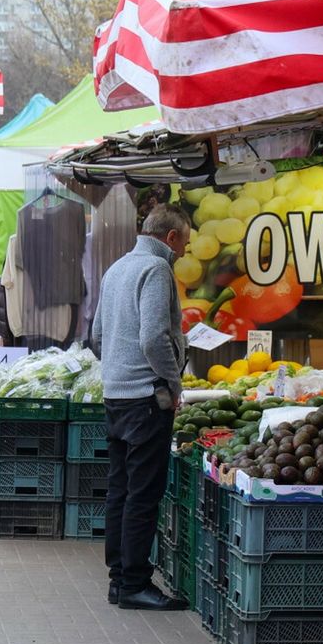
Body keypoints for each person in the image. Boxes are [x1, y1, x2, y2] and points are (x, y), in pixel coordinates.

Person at [90, 204, 191, 611]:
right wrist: (173, 380)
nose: (185, 250)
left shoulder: (116, 269)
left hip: (115, 396)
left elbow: (96, 335)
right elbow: (153, 338)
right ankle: (133, 582)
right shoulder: (156, 270)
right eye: (185, 240)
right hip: (146, 399)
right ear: (170, 237)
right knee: (143, 494)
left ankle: (119, 579)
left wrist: (117, 368)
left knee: (121, 490)